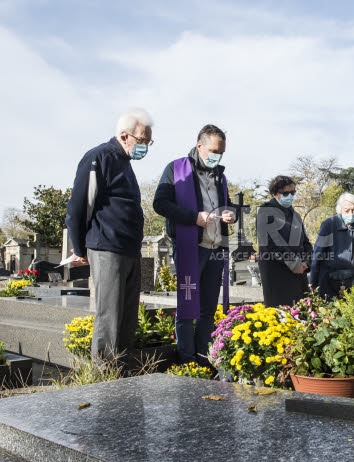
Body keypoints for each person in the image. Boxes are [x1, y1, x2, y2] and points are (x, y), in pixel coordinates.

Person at [65, 108, 153, 367]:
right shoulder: (98, 157)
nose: (145, 147)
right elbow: (79, 206)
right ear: (125, 136)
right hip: (107, 247)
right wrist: (79, 248)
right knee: (110, 315)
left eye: (149, 141)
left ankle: (122, 370)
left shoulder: (125, 163)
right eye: (143, 140)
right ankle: (104, 374)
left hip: (129, 249)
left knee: (127, 317)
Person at [153, 124, 237, 364]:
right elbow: (160, 203)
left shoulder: (219, 174)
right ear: (199, 146)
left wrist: (231, 214)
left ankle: (204, 359)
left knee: (208, 310)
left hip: (215, 248)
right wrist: (194, 217)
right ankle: (187, 360)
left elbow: (227, 204)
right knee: (187, 308)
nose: (217, 156)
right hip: (191, 247)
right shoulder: (176, 169)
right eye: (213, 151)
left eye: (221, 152)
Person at [256, 175, 313, 307]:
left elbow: (306, 243)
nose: (290, 196)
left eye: (293, 192)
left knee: (302, 316)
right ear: (274, 193)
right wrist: (294, 264)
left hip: (299, 273)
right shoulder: (266, 212)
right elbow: (271, 243)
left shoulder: (295, 215)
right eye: (286, 193)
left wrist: (305, 262)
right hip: (277, 274)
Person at [310, 192, 354, 300]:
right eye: (347, 210)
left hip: (352, 281)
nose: (351, 213)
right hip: (329, 280)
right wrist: (312, 281)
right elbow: (318, 253)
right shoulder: (328, 224)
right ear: (340, 209)